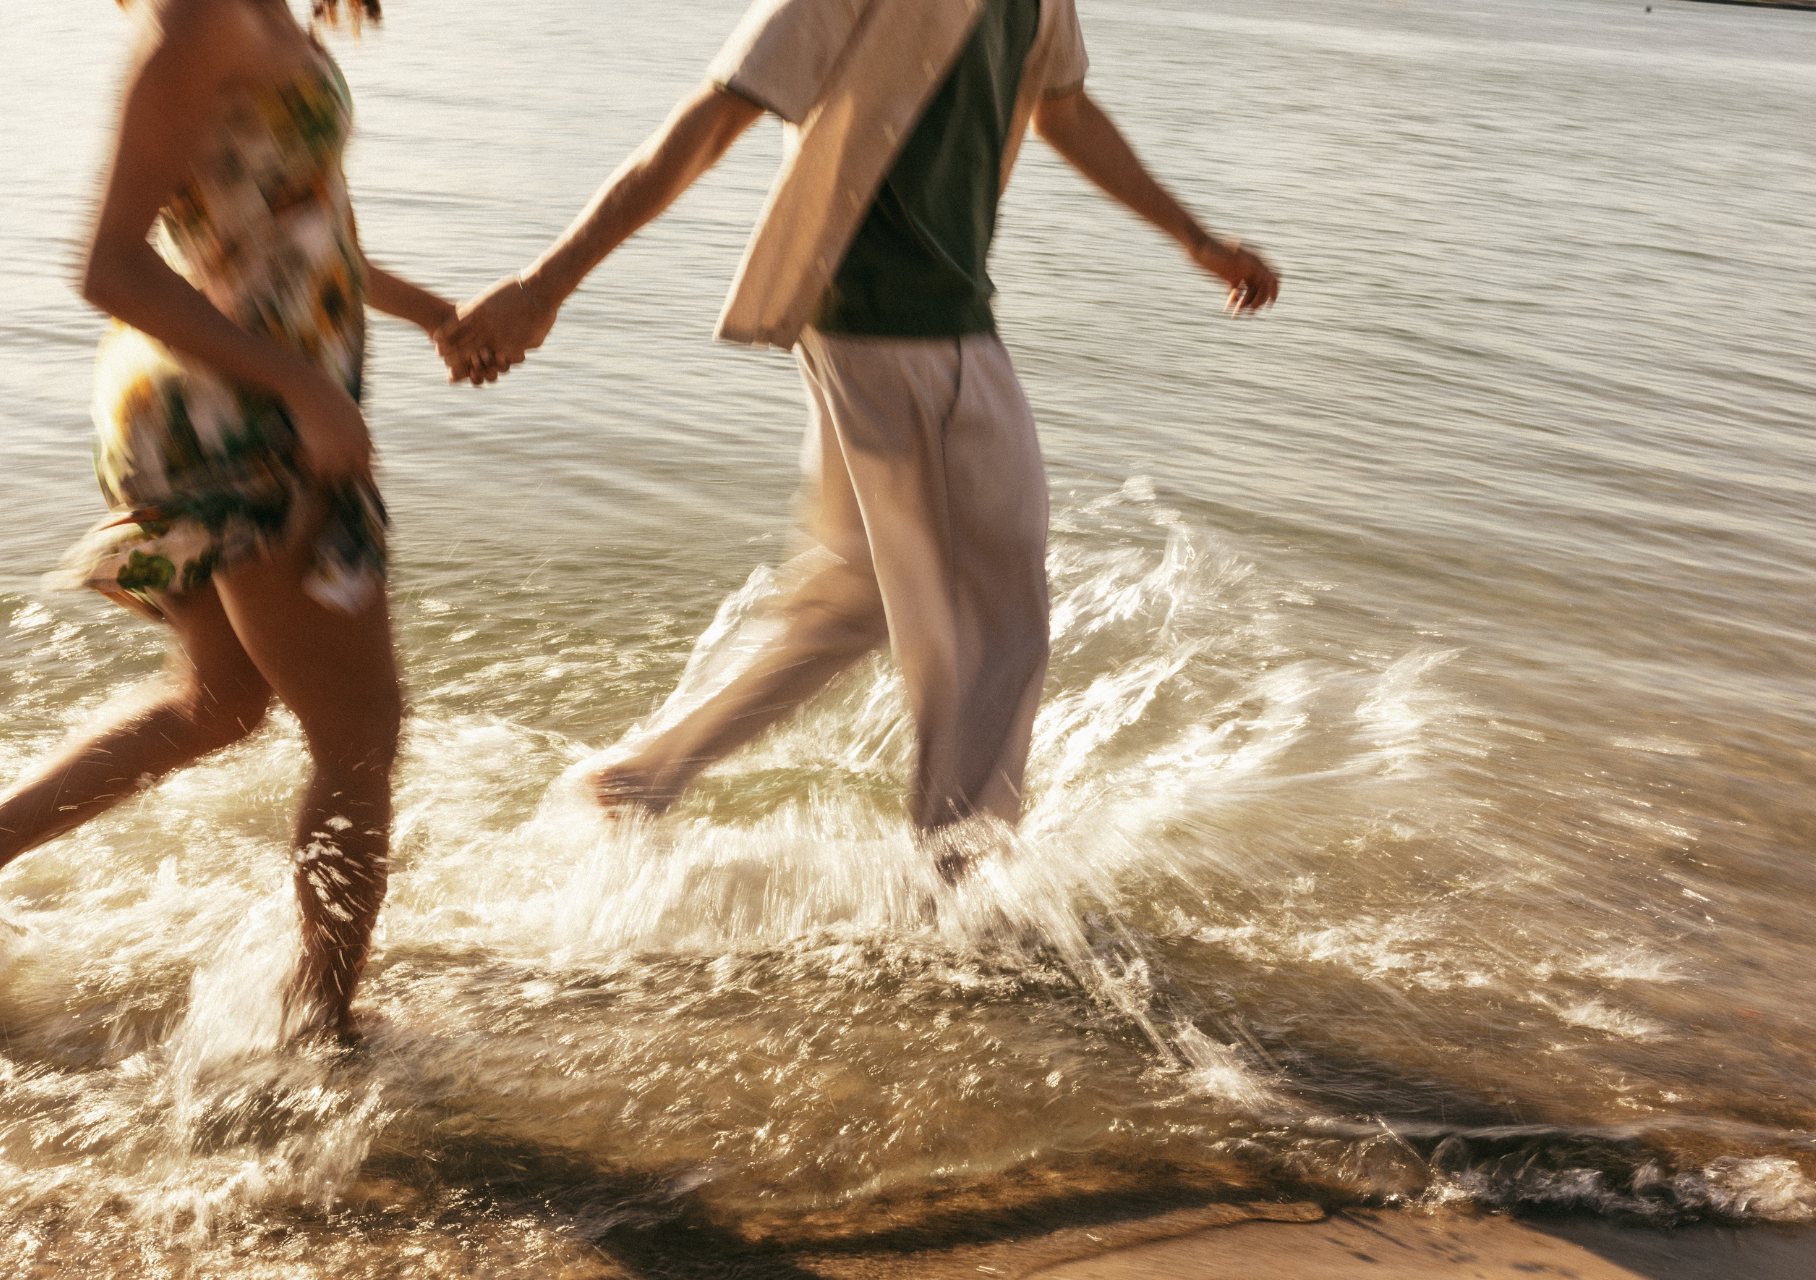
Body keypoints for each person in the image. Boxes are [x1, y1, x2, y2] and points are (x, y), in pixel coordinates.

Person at [437, 0, 1278, 869]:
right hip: (898, 325)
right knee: (1000, 611)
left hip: (911, 323)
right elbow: (716, 112)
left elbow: (1059, 104)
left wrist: (1195, 239)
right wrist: (544, 286)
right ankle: (962, 881)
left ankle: (639, 783)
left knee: (859, 596)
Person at [0, 0, 453, 1037]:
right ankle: (322, 1030)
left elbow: (299, 219)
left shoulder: (262, 18)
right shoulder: (198, 29)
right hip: (229, 416)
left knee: (220, 699)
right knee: (362, 730)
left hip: (247, 398)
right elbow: (108, 263)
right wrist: (302, 389)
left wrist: (431, 313)